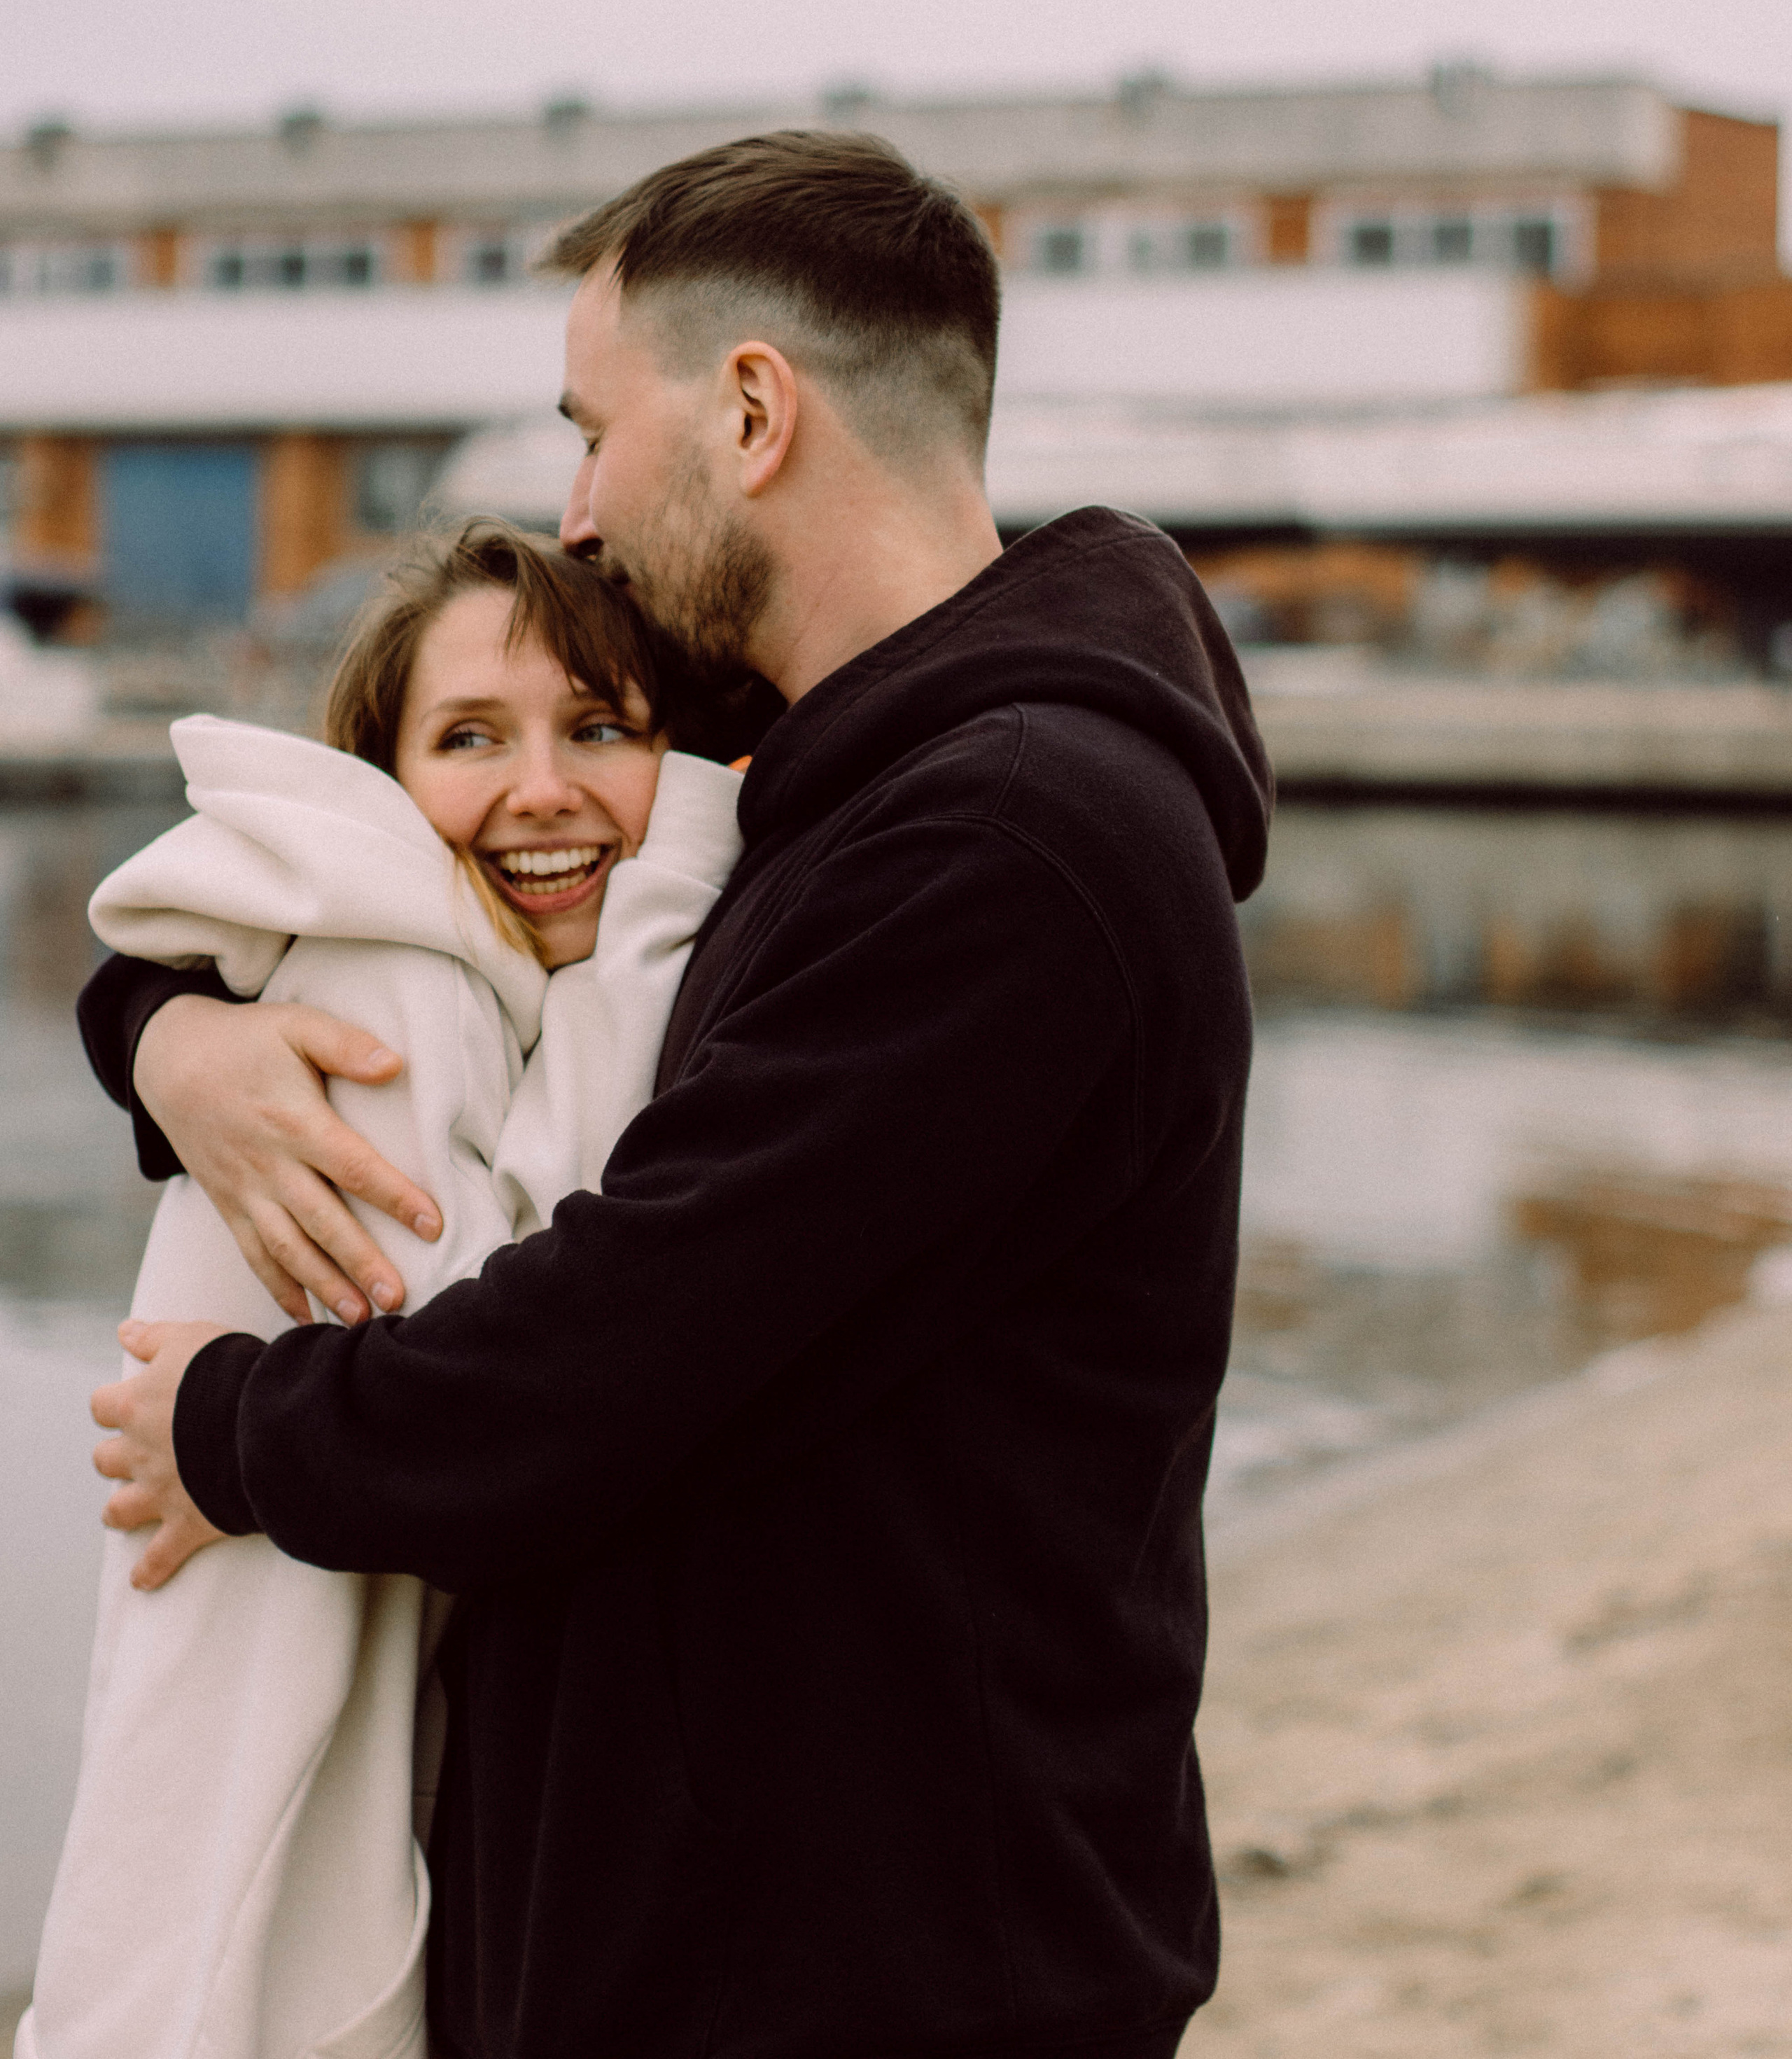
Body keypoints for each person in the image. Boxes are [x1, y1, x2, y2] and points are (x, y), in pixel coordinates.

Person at [79, 130, 1273, 2059]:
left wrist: (234, 1428)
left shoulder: (1015, 846)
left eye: (591, 428)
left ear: (749, 410)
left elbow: (624, 1348)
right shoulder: (825, 765)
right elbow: (398, 867)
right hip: (705, 1943)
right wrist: (165, 1029)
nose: (578, 511)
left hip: (877, 1973)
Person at [26, 526, 744, 2059]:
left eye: (602, 730)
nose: (542, 788)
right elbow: (532, 1344)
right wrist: (678, 853)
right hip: (298, 1788)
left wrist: (149, 1026)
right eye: (470, 737)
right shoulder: (383, 997)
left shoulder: (495, 993)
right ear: (386, 781)